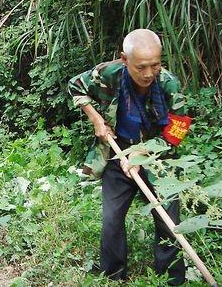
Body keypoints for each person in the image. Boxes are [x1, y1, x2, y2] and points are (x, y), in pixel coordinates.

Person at [68, 29, 186, 285]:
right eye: (141, 67)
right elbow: (75, 85)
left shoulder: (168, 83)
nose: (148, 74)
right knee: (111, 218)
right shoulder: (109, 73)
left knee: (169, 222)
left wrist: (142, 152)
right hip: (117, 150)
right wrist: (96, 118)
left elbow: (177, 131)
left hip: (157, 158)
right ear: (124, 59)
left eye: (155, 65)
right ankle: (112, 275)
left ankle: (172, 279)